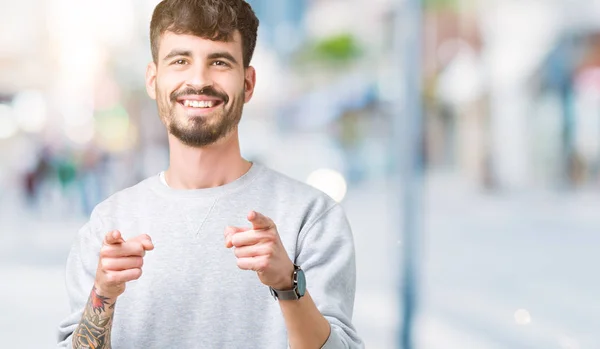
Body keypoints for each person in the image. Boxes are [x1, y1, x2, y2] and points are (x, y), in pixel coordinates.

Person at [57, 0, 363, 348]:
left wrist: (287, 283)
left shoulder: (311, 217)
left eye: (219, 61)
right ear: (153, 80)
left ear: (247, 83)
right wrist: (104, 294)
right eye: (180, 61)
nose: (199, 80)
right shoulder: (108, 223)